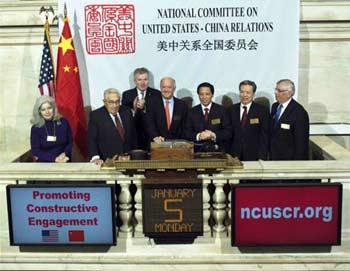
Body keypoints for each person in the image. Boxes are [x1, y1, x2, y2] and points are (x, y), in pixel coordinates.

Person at [88, 88, 137, 165]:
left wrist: (135, 155)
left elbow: (133, 135)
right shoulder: (96, 116)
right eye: (111, 102)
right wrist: (95, 158)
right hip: (108, 161)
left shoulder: (126, 111)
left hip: (128, 160)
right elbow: (92, 139)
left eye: (117, 102)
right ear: (104, 102)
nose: (115, 105)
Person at [228, 80, 269, 160]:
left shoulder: (262, 111)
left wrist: (262, 156)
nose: (244, 95)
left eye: (248, 92)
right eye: (242, 92)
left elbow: (264, 136)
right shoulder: (231, 110)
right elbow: (228, 133)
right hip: (234, 155)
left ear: (253, 94)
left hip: (254, 155)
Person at [122, 67, 161, 150]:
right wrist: (134, 109)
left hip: (153, 138)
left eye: (145, 79)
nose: (143, 83)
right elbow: (125, 118)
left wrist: (145, 108)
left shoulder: (156, 94)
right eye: (139, 80)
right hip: (134, 138)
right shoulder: (127, 95)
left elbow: (159, 116)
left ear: (149, 80)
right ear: (135, 81)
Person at [185, 82, 232, 152]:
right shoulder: (191, 112)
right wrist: (199, 136)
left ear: (212, 95)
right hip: (197, 152)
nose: (204, 97)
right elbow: (186, 132)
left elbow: (228, 132)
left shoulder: (222, 110)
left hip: (218, 151)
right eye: (201, 94)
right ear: (198, 95)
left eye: (207, 94)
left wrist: (213, 135)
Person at [270, 79, 309, 160]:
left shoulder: (299, 113)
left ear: (289, 93)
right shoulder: (275, 106)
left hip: (288, 160)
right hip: (273, 156)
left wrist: (296, 165)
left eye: (279, 90)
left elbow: (301, 143)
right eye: (276, 90)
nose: (276, 93)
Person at [146, 77, 188, 143]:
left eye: (169, 87)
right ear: (160, 88)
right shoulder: (151, 104)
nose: (166, 90)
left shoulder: (182, 105)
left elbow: (185, 126)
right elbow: (149, 123)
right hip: (157, 144)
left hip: (177, 145)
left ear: (174, 88)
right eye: (163, 87)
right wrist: (155, 136)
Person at [30, 95, 72, 162]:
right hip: (45, 163)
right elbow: (35, 151)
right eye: (43, 109)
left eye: (49, 108)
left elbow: (70, 143)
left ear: (54, 108)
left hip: (64, 160)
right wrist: (54, 159)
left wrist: (64, 154)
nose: (47, 112)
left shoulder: (64, 122)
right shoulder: (36, 128)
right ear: (39, 112)